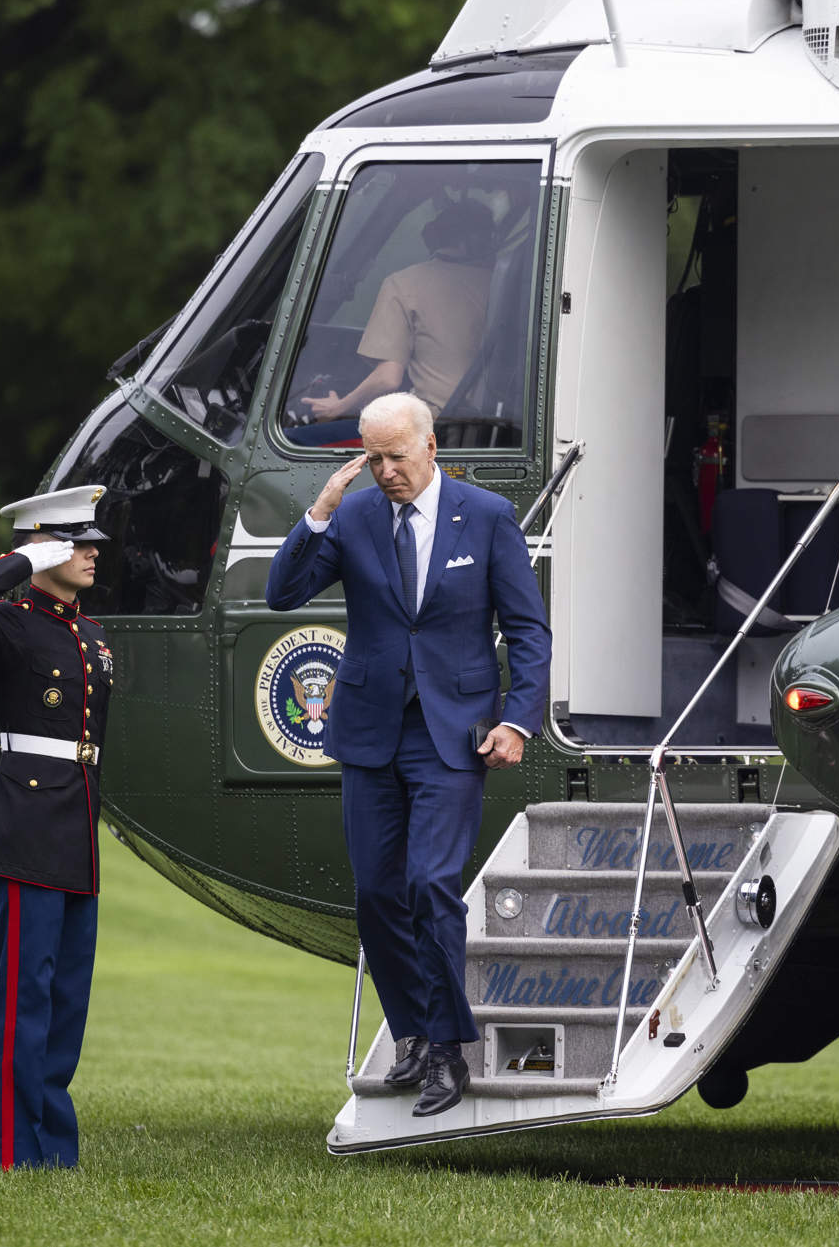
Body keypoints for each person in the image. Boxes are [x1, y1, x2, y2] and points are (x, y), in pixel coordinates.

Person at [265, 392, 550, 1116]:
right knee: (376, 896)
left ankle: (449, 1049)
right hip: (368, 732)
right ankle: (415, 1032)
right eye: (373, 457)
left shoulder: (485, 516)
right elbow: (283, 593)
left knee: (430, 882)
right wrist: (322, 506)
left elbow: (528, 632)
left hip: (450, 734)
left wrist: (518, 720)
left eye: (396, 455)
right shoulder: (355, 516)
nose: (385, 470)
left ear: (430, 445)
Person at [0, 485, 114, 1170]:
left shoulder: (93, 636)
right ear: (46, 546)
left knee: (66, 1003)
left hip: (76, 832)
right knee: (25, 997)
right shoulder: (7, 622)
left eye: (92, 541)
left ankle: (54, 1152)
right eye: (77, 542)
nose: (93, 552)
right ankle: (13, 1151)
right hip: (25, 828)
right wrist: (20, 560)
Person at [299, 200, 496, 424]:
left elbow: (388, 379)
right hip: (492, 429)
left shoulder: (403, 283)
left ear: (434, 238)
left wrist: (338, 407)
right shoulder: (503, 287)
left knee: (298, 439)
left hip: (433, 431)